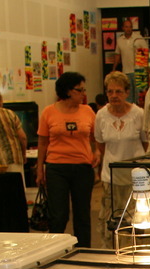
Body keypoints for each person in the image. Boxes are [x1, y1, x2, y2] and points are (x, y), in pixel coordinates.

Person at [36, 72, 99, 243]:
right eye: (80, 90)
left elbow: (96, 137)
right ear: (68, 91)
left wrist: (97, 152)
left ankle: (84, 250)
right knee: (59, 214)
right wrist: (40, 169)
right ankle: (55, 248)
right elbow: (42, 142)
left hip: (82, 167)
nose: (83, 94)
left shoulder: (87, 111)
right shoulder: (49, 112)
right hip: (56, 167)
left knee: (82, 214)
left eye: (84, 90)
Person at [94, 71, 148, 247]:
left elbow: (145, 143)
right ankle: (110, 252)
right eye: (110, 92)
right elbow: (100, 144)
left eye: (118, 91)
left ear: (126, 92)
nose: (114, 96)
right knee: (110, 219)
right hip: (110, 177)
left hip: (134, 177)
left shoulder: (138, 114)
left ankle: (134, 250)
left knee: (134, 219)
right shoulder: (101, 115)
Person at [111, 18, 147, 104]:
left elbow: (145, 53)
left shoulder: (138, 38)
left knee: (140, 96)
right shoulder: (120, 40)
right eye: (126, 27)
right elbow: (117, 55)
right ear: (123, 28)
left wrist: (145, 69)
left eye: (130, 27)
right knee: (128, 96)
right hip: (126, 72)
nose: (128, 29)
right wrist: (114, 69)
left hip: (139, 71)